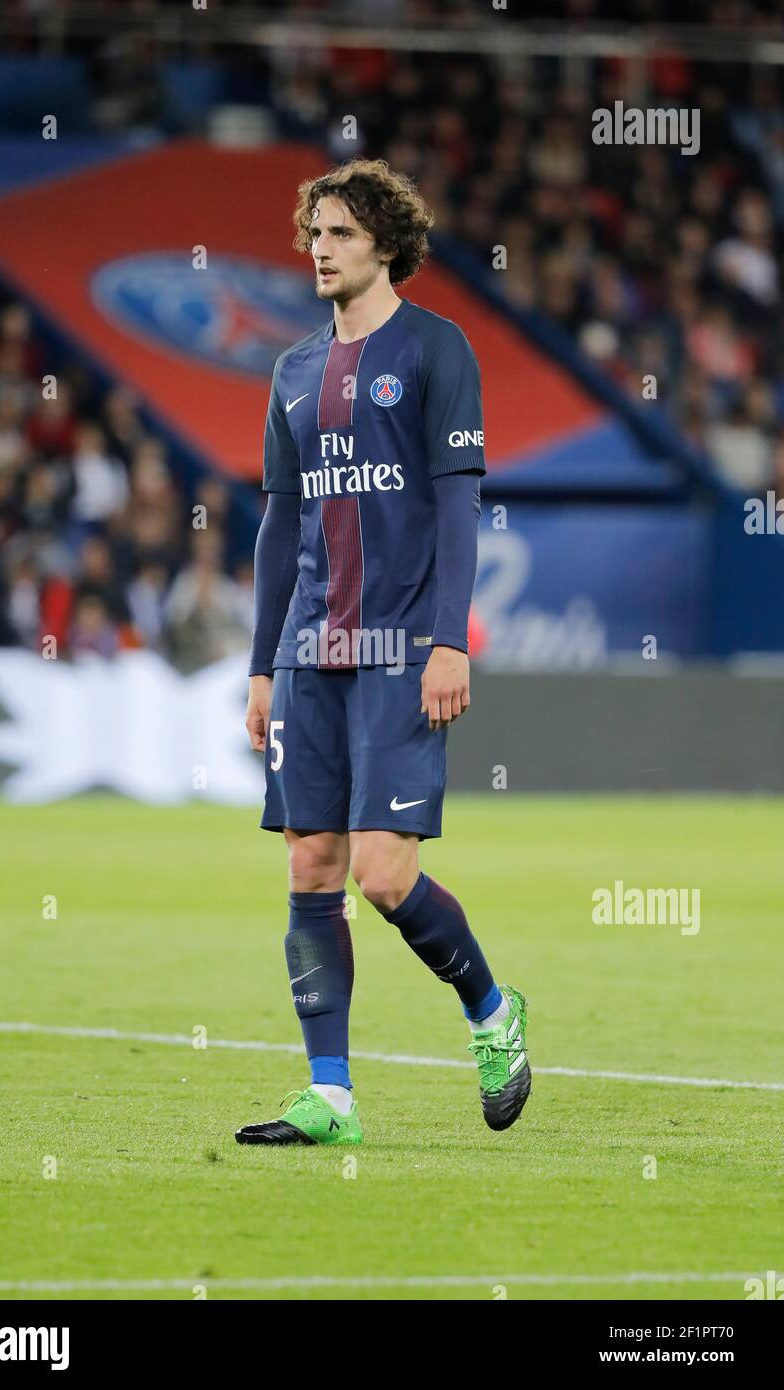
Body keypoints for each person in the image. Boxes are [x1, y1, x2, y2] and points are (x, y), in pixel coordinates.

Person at [239, 159, 530, 1147]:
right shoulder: (289, 373)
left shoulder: (437, 349)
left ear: (388, 246)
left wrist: (450, 639)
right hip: (310, 647)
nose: (319, 249)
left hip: (403, 645)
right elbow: (280, 527)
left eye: (341, 234)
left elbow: (457, 508)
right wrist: (261, 665)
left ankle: (490, 1011)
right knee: (309, 862)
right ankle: (331, 1095)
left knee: (382, 874)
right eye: (313, 233)